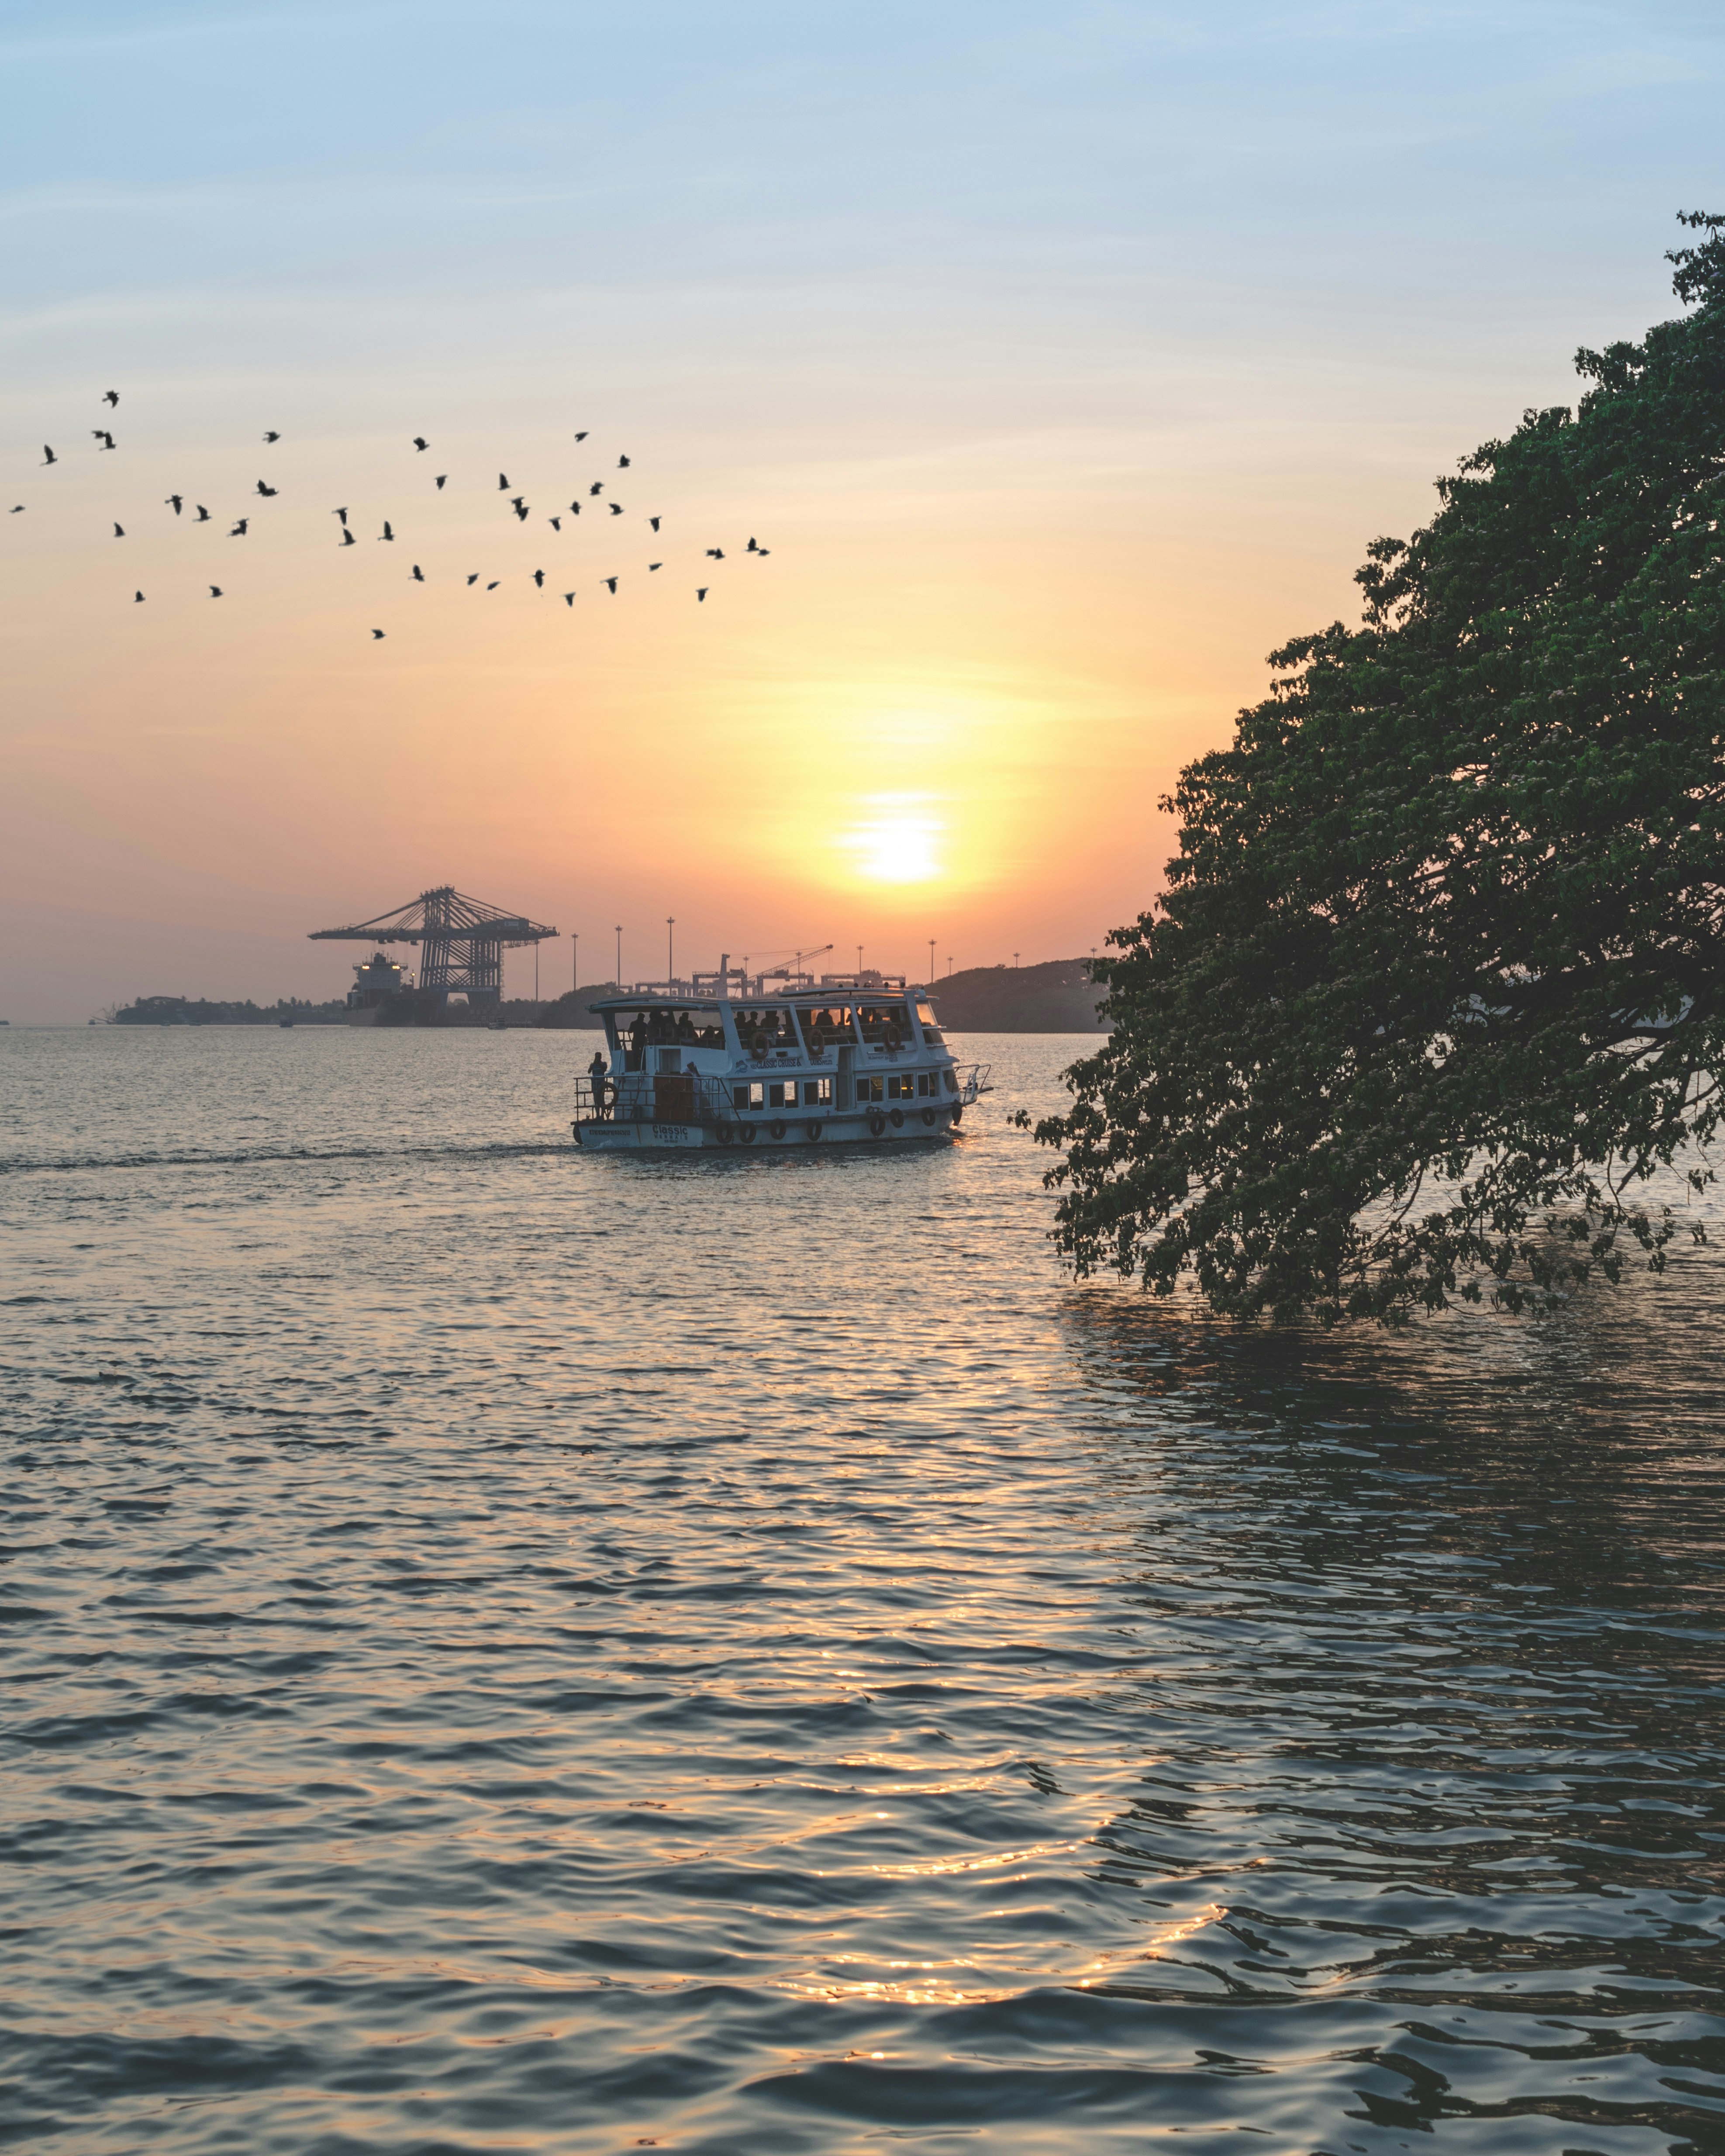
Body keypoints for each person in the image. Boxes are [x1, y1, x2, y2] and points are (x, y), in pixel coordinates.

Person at [588, 1048, 609, 1117]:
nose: (597, 1058)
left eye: (598, 1057)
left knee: (602, 1099)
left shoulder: (604, 1064)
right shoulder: (593, 1065)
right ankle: (598, 1115)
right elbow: (589, 1072)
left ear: (601, 1057)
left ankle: (603, 1115)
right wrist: (593, 1065)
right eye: (596, 1057)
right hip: (595, 1085)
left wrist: (599, 1064)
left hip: (601, 1084)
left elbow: (604, 1070)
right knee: (596, 1100)